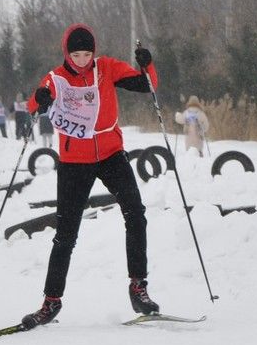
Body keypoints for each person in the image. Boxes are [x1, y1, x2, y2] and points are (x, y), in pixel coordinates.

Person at [20, 24, 161, 328]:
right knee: (66, 235)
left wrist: (146, 63)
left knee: (135, 214)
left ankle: (139, 287)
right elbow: (34, 104)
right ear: (66, 53)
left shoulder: (106, 68)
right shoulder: (56, 77)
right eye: (76, 54)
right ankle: (50, 302)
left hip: (111, 154)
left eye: (86, 54)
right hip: (74, 161)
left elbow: (147, 85)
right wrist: (41, 98)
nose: (82, 60)